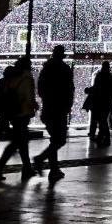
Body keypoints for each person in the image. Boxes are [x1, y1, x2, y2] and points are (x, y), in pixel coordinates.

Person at [0, 57, 38, 182]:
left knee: (22, 143)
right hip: (22, 113)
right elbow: (28, 96)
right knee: (17, 143)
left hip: (13, 113)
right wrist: (34, 105)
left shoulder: (12, 77)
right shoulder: (26, 78)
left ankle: (27, 168)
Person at [33, 45, 74, 183]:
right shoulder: (64, 69)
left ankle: (54, 169)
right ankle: (40, 159)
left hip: (48, 108)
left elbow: (40, 89)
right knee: (59, 140)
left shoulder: (46, 68)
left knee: (55, 139)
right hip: (59, 108)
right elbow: (69, 89)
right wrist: (68, 104)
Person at [91, 61, 112, 147]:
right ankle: (103, 137)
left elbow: (95, 88)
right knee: (103, 120)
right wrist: (111, 97)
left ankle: (104, 138)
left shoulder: (99, 76)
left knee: (101, 120)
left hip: (99, 101)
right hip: (107, 101)